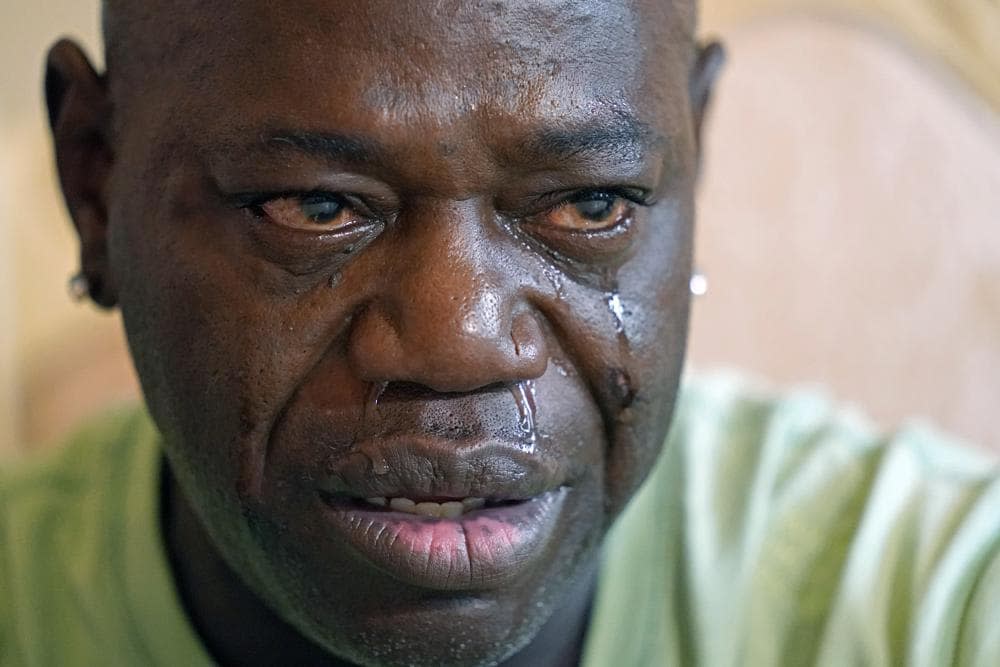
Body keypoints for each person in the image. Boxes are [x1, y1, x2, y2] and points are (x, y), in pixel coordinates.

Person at [2, 1, 998, 665]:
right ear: (97, 185)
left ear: (695, 155)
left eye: (592, 203)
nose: (457, 345)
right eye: (313, 207)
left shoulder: (928, 600)